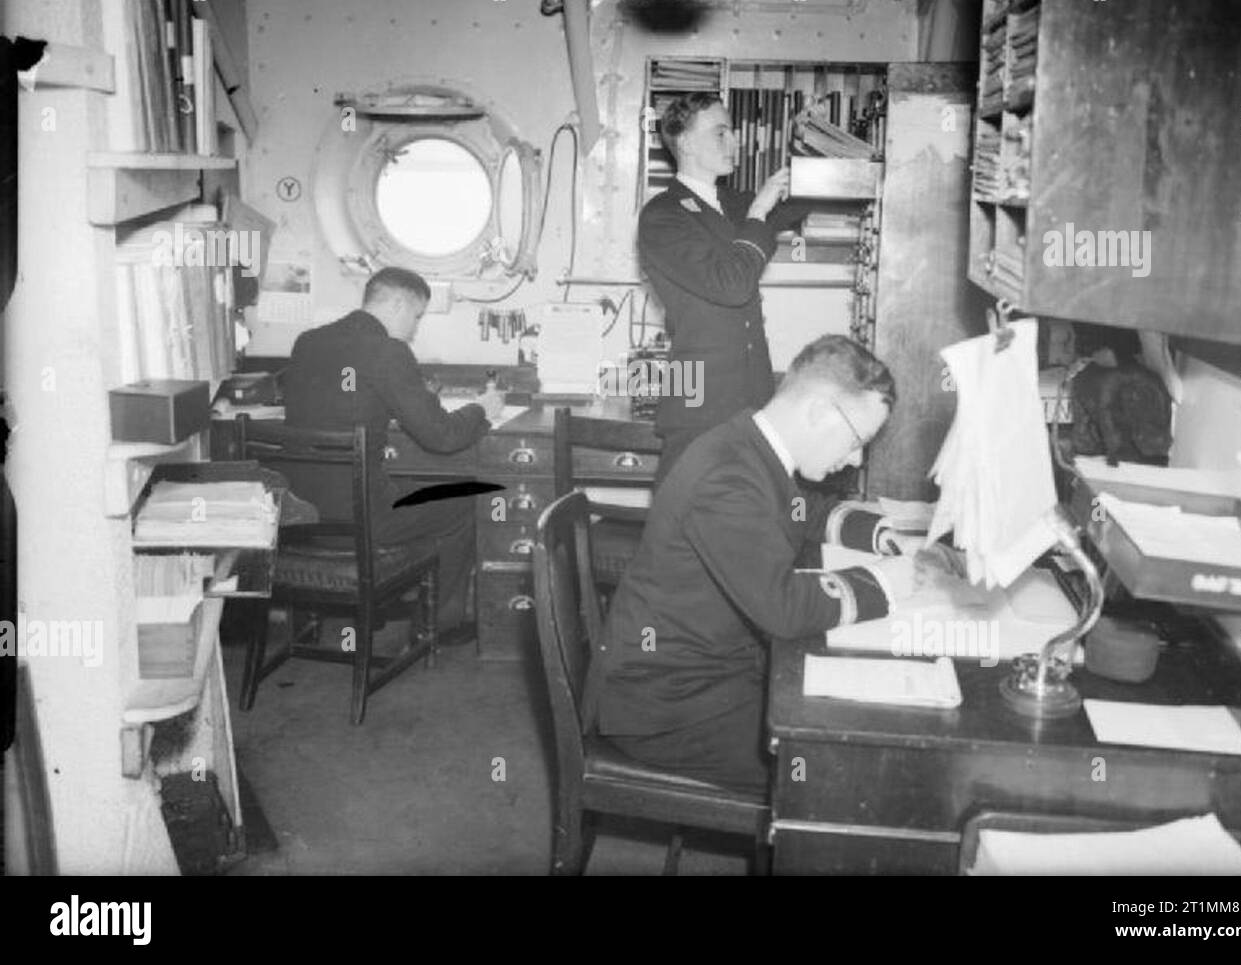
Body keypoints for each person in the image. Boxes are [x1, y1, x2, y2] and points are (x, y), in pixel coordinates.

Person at [584, 334, 925, 793]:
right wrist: (886, 584)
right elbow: (780, 608)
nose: (857, 457)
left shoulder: (752, 447)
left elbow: (807, 512)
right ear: (820, 412)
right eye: (858, 439)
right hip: (668, 706)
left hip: (710, 673)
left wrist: (884, 535)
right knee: (843, 773)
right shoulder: (728, 477)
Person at [280, 267, 506, 644]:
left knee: (407, 486)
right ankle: (437, 625)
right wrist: (482, 408)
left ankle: (374, 603)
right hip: (362, 517)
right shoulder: (388, 351)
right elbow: (442, 436)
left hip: (301, 513)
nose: (415, 328)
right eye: (416, 317)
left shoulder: (308, 342)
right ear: (399, 303)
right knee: (465, 504)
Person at [639, 92, 807, 483]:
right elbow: (732, 285)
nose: (735, 143)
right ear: (684, 142)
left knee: (742, 527)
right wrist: (759, 213)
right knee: (683, 526)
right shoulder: (663, 215)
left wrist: (813, 152)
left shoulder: (731, 203)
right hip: (700, 405)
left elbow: (802, 204)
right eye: (721, 133)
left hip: (752, 401)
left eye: (732, 133)